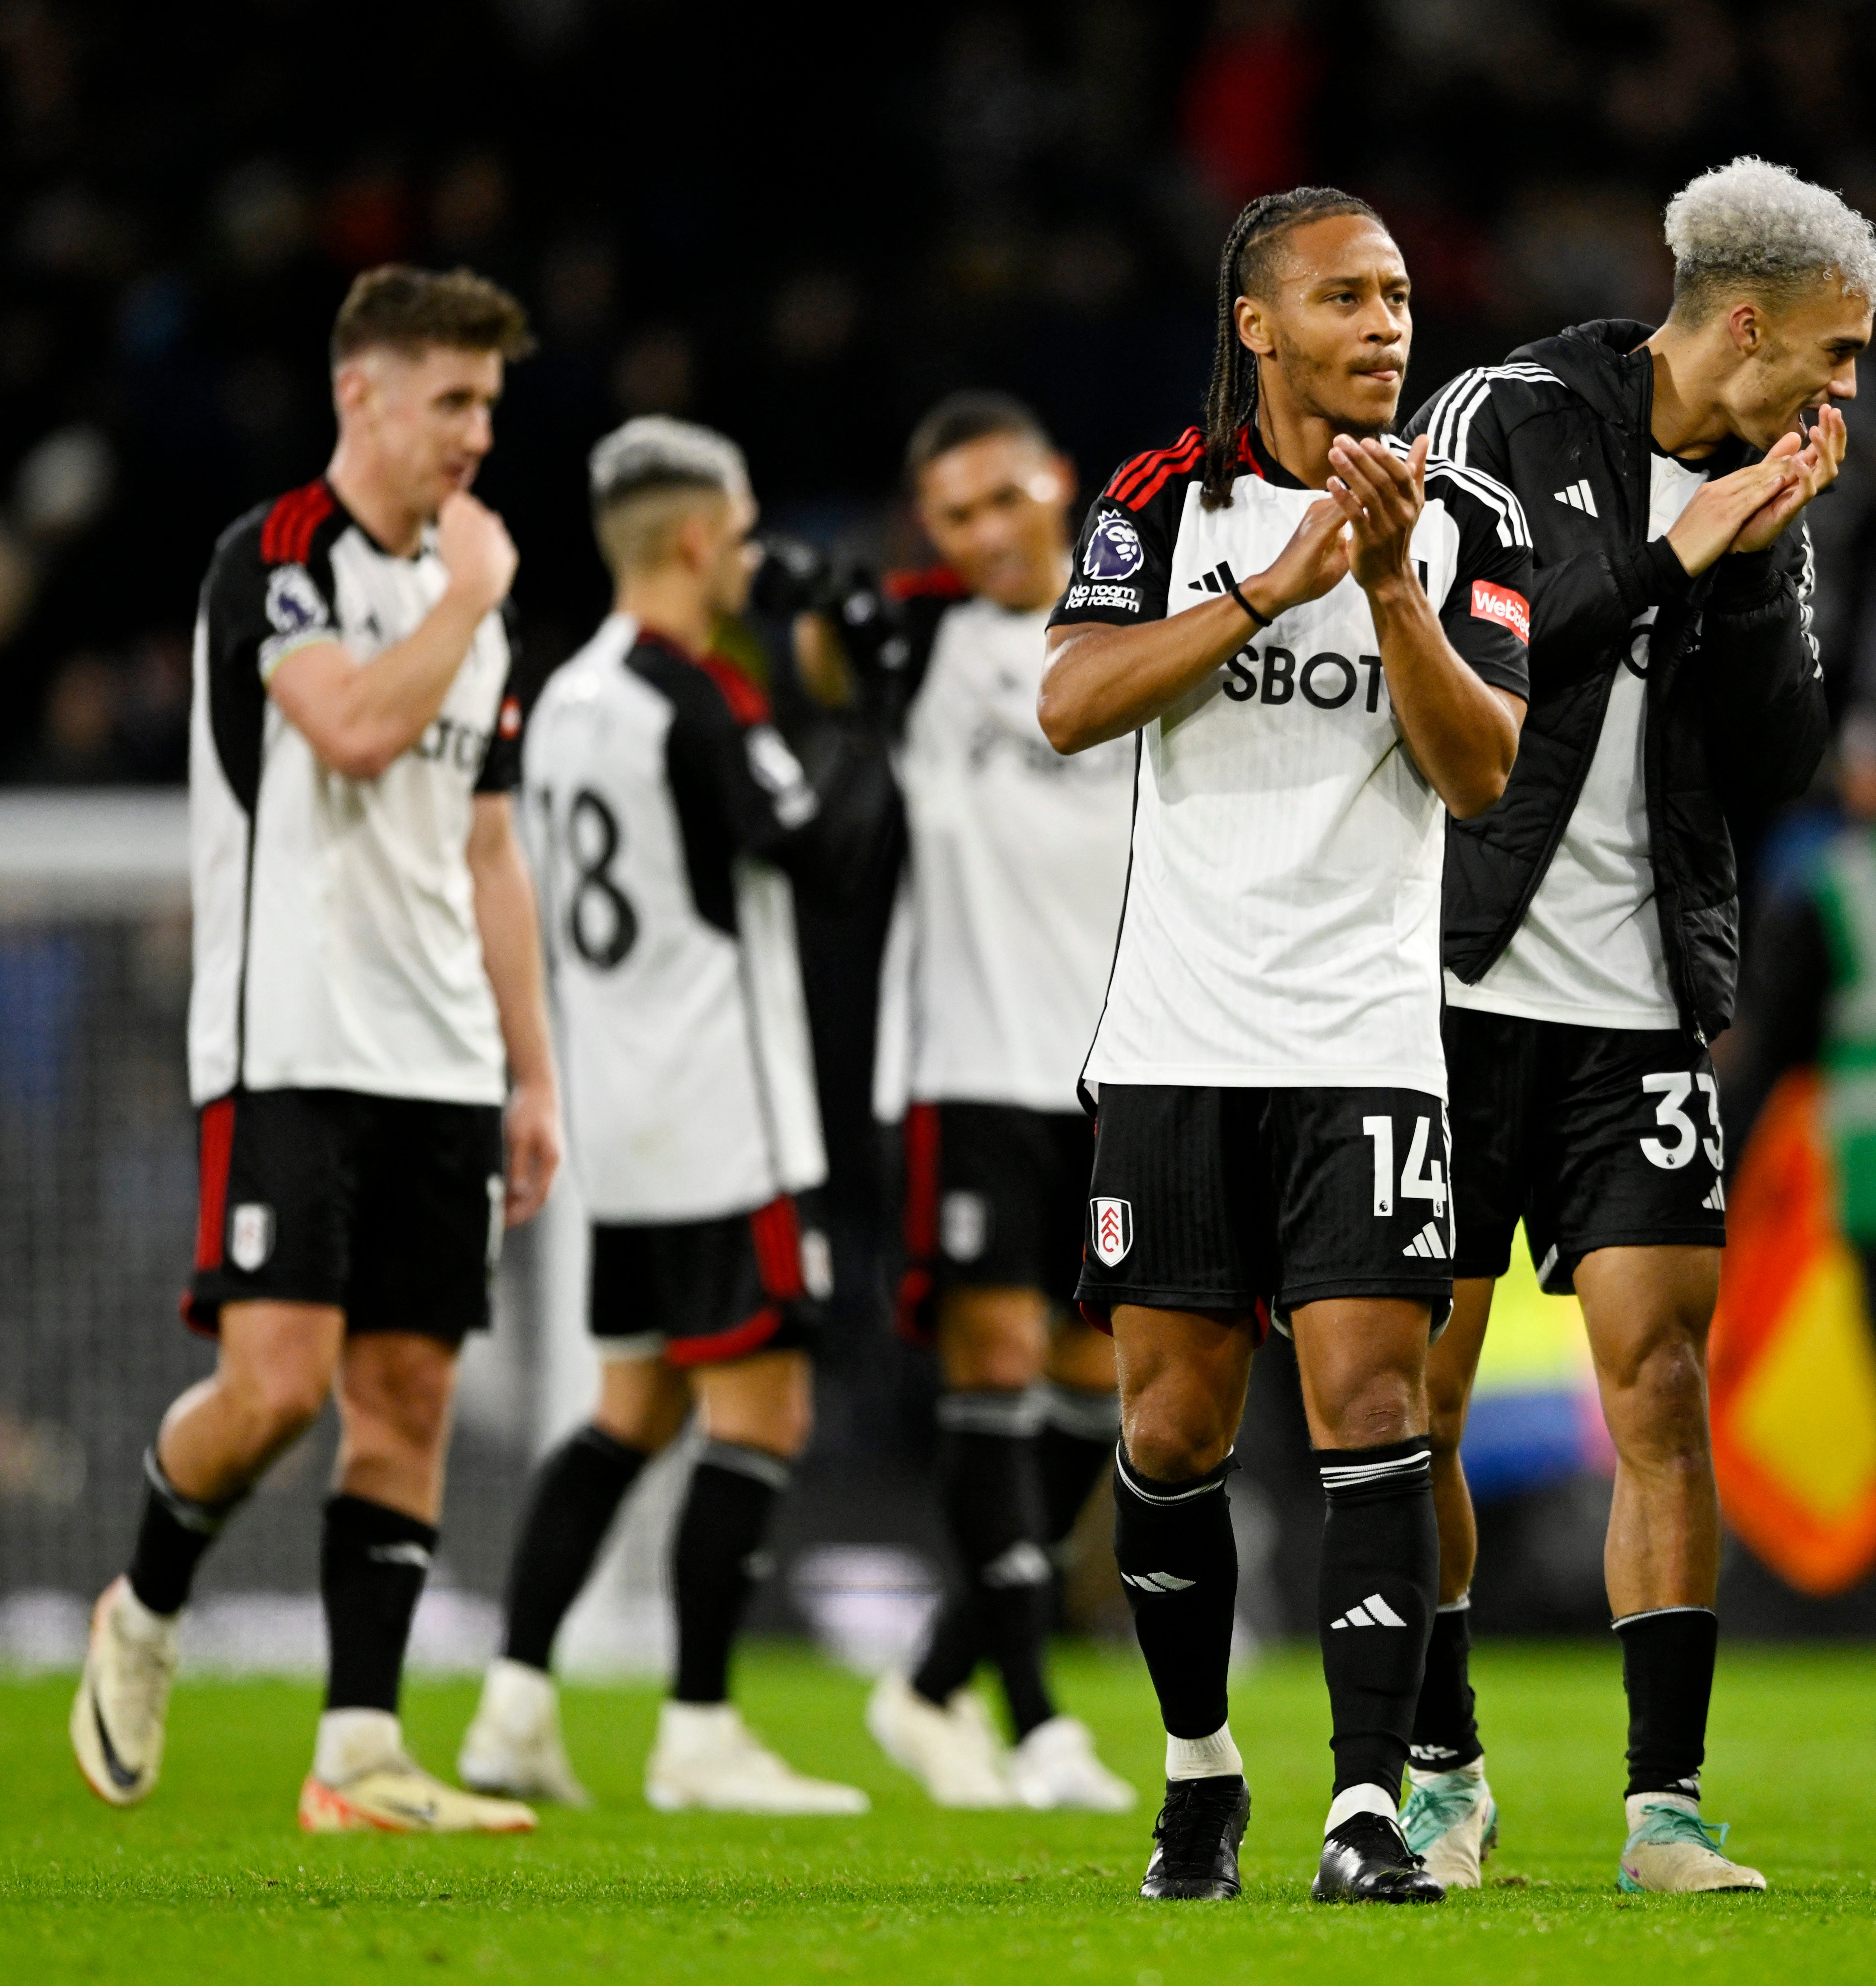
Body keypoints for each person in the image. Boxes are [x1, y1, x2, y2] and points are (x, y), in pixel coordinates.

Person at [1038, 186, 1533, 1905]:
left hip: (1365, 1043)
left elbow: (1478, 775)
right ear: (1259, 325)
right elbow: (1067, 705)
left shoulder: (1468, 519)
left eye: (1399, 296)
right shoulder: (1155, 504)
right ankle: (1196, 1778)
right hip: (1176, 1039)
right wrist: (1266, 590)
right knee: (1170, 1430)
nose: (1387, 325)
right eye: (1346, 298)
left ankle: (1362, 1808)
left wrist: (1389, 588)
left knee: (1371, 1403)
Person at [1390, 155, 1865, 1894]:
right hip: (1451, 980)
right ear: (1744, 325)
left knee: (1662, 1390)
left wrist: (1750, 568)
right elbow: (1473, 664)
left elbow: (1777, 768)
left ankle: (1663, 1808)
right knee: (1413, 1400)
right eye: (1834, 350)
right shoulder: (1506, 416)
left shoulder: (1767, 486)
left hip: (1641, 1002)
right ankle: (1438, 1771)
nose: (1844, 388)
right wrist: (1682, 549)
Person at [70, 265, 556, 1833]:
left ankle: (357, 1755)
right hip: (290, 1041)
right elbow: (346, 729)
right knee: (275, 1388)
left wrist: (532, 1073)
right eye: (451, 401)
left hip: (440, 1059)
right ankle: (144, 1607)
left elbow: (489, 853)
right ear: (362, 394)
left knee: (406, 1396)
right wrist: (470, 598)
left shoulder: (477, 600)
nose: (475, 433)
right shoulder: (274, 560)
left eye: (490, 403)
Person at [455, 417, 882, 1816]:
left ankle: (514, 1704)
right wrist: (864, 709)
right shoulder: (698, 696)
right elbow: (820, 856)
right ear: (698, 540)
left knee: (629, 1409)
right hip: (726, 1116)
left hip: (621, 1120)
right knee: (763, 1408)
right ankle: (699, 1728)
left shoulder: (569, 691)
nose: (757, 551)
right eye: (746, 526)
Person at [864, 392, 1135, 1814]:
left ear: (1059, 484)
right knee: (994, 1361)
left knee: (1104, 1391)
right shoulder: (918, 645)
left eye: (1001, 499)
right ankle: (1033, 1720)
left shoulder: (1140, 628)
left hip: (1117, 1067)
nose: (983, 534)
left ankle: (926, 1683)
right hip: (968, 1065)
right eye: (952, 517)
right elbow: (796, 627)